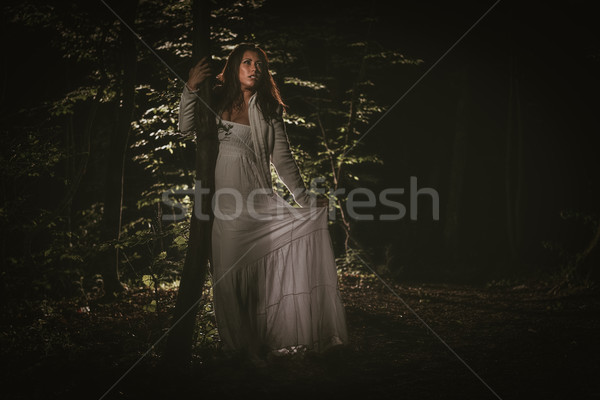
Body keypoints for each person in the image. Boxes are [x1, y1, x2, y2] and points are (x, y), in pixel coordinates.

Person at [178, 43, 348, 366]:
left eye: (259, 63)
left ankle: (256, 348)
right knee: (227, 281)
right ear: (234, 66)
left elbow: (283, 162)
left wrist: (307, 200)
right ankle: (238, 348)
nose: (254, 67)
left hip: (259, 205)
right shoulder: (213, 101)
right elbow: (185, 129)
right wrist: (190, 88)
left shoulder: (269, 110)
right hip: (225, 208)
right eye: (247, 62)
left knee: (257, 285)